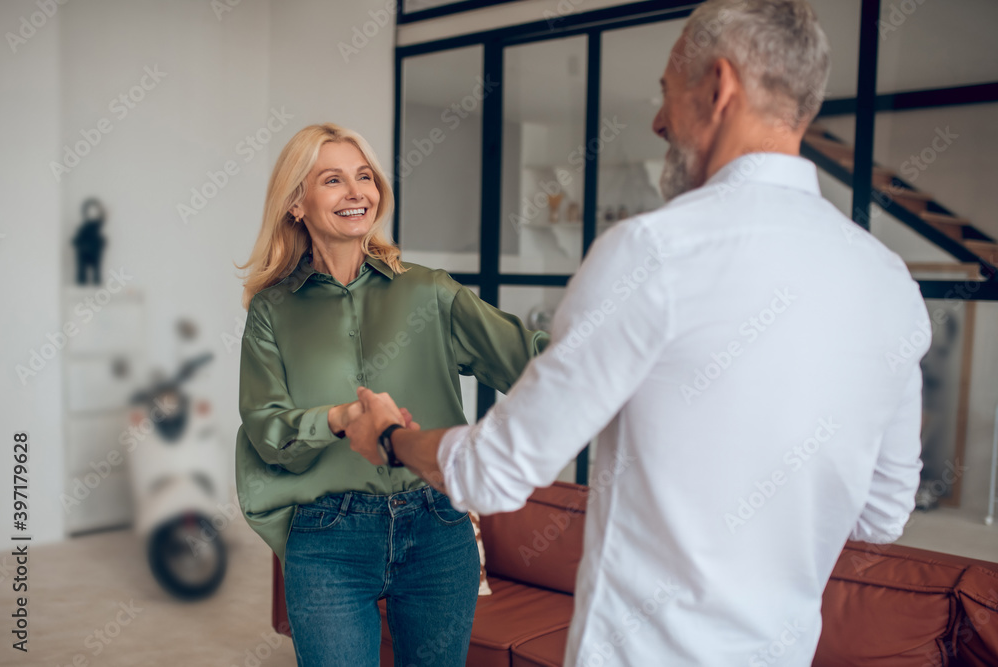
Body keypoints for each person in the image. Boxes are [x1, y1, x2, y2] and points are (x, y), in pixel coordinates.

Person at [343, 1, 931, 664]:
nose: (658, 120)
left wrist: (390, 437)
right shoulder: (889, 283)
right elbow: (882, 513)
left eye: (666, 91)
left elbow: (494, 472)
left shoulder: (655, 251)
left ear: (719, 87)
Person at [233, 122, 548, 666]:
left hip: (436, 528)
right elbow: (266, 430)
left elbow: (532, 363)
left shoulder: (431, 290)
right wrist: (340, 418)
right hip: (327, 535)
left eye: (365, 177)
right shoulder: (272, 310)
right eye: (333, 179)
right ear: (296, 204)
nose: (358, 192)